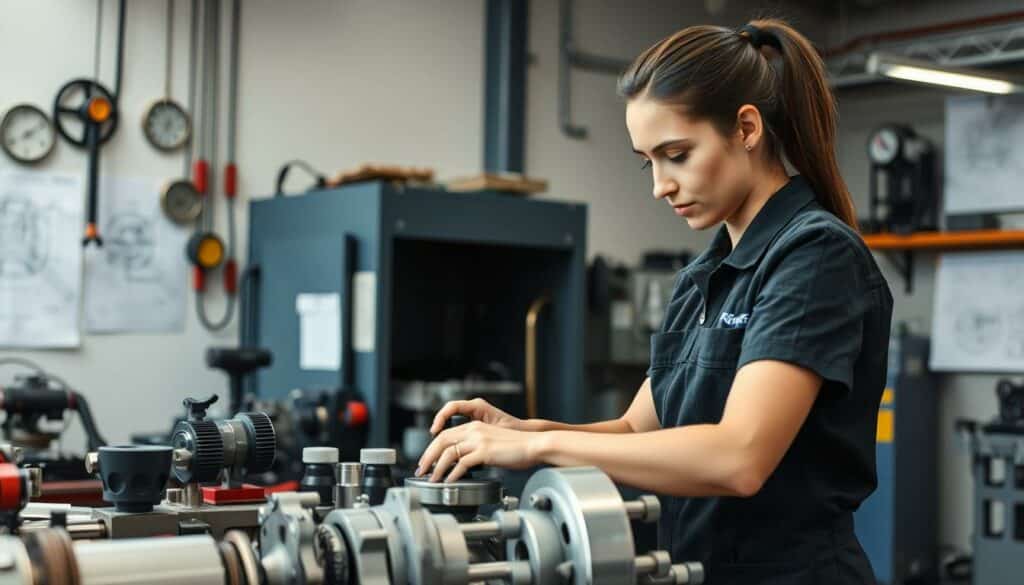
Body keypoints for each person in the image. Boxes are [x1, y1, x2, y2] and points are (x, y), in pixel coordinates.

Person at [416, 18, 893, 585]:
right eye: (649, 161)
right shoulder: (702, 277)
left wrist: (541, 448)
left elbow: (739, 458)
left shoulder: (814, 256)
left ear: (745, 128)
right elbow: (637, 431)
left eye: (677, 154)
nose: (659, 185)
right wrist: (518, 431)